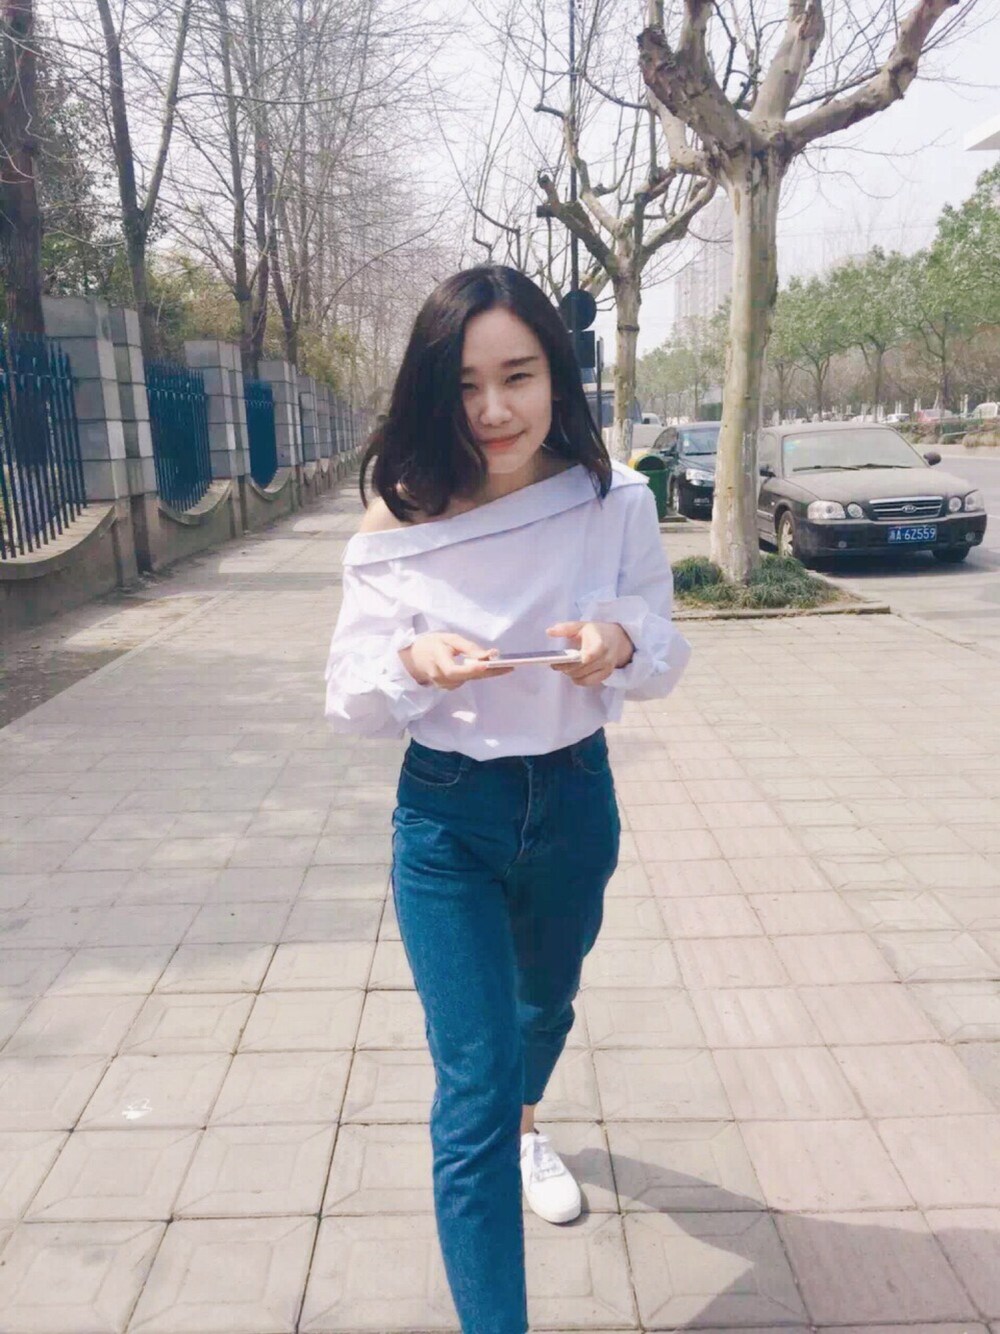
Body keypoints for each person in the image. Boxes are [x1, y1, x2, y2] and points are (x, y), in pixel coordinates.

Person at [325, 265, 691, 1334]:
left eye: (518, 376)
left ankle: (532, 1126)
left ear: (556, 376)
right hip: (448, 819)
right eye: (466, 385)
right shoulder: (397, 517)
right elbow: (347, 700)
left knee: (545, 1006)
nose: (493, 409)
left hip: (575, 798)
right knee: (473, 1087)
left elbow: (664, 653)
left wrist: (617, 640)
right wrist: (412, 661)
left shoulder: (611, 500)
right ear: (433, 391)